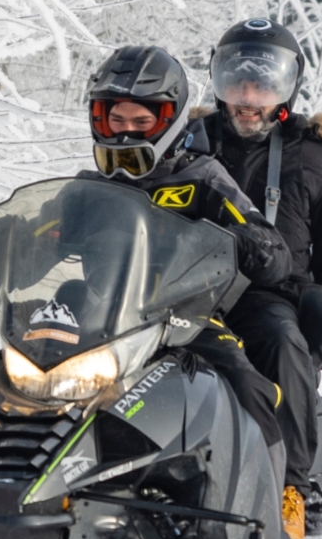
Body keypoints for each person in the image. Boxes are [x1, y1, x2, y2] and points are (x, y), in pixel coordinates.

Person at [78, 44, 295, 473]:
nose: (126, 133)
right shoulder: (88, 187)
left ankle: (280, 487)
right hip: (97, 318)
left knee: (245, 381)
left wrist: (248, 241)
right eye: (116, 120)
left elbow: (271, 246)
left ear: (170, 120)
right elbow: (43, 231)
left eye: (141, 122)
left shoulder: (201, 176)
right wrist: (11, 240)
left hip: (181, 316)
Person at [194, 18, 322, 539]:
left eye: (263, 84)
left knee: (282, 340)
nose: (249, 97)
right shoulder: (189, 147)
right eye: (238, 82)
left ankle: (294, 490)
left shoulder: (314, 160)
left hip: (268, 297)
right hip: (183, 290)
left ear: (287, 88)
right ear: (219, 82)